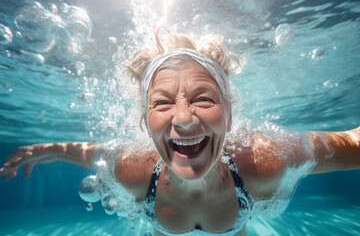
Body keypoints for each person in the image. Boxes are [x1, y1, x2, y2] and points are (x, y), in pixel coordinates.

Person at [1, 27, 359, 236]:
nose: (184, 120)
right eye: (161, 103)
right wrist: (41, 149)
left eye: (204, 98)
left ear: (230, 116)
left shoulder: (264, 161)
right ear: (145, 122)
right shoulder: (132, 169)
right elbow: (86, 152)